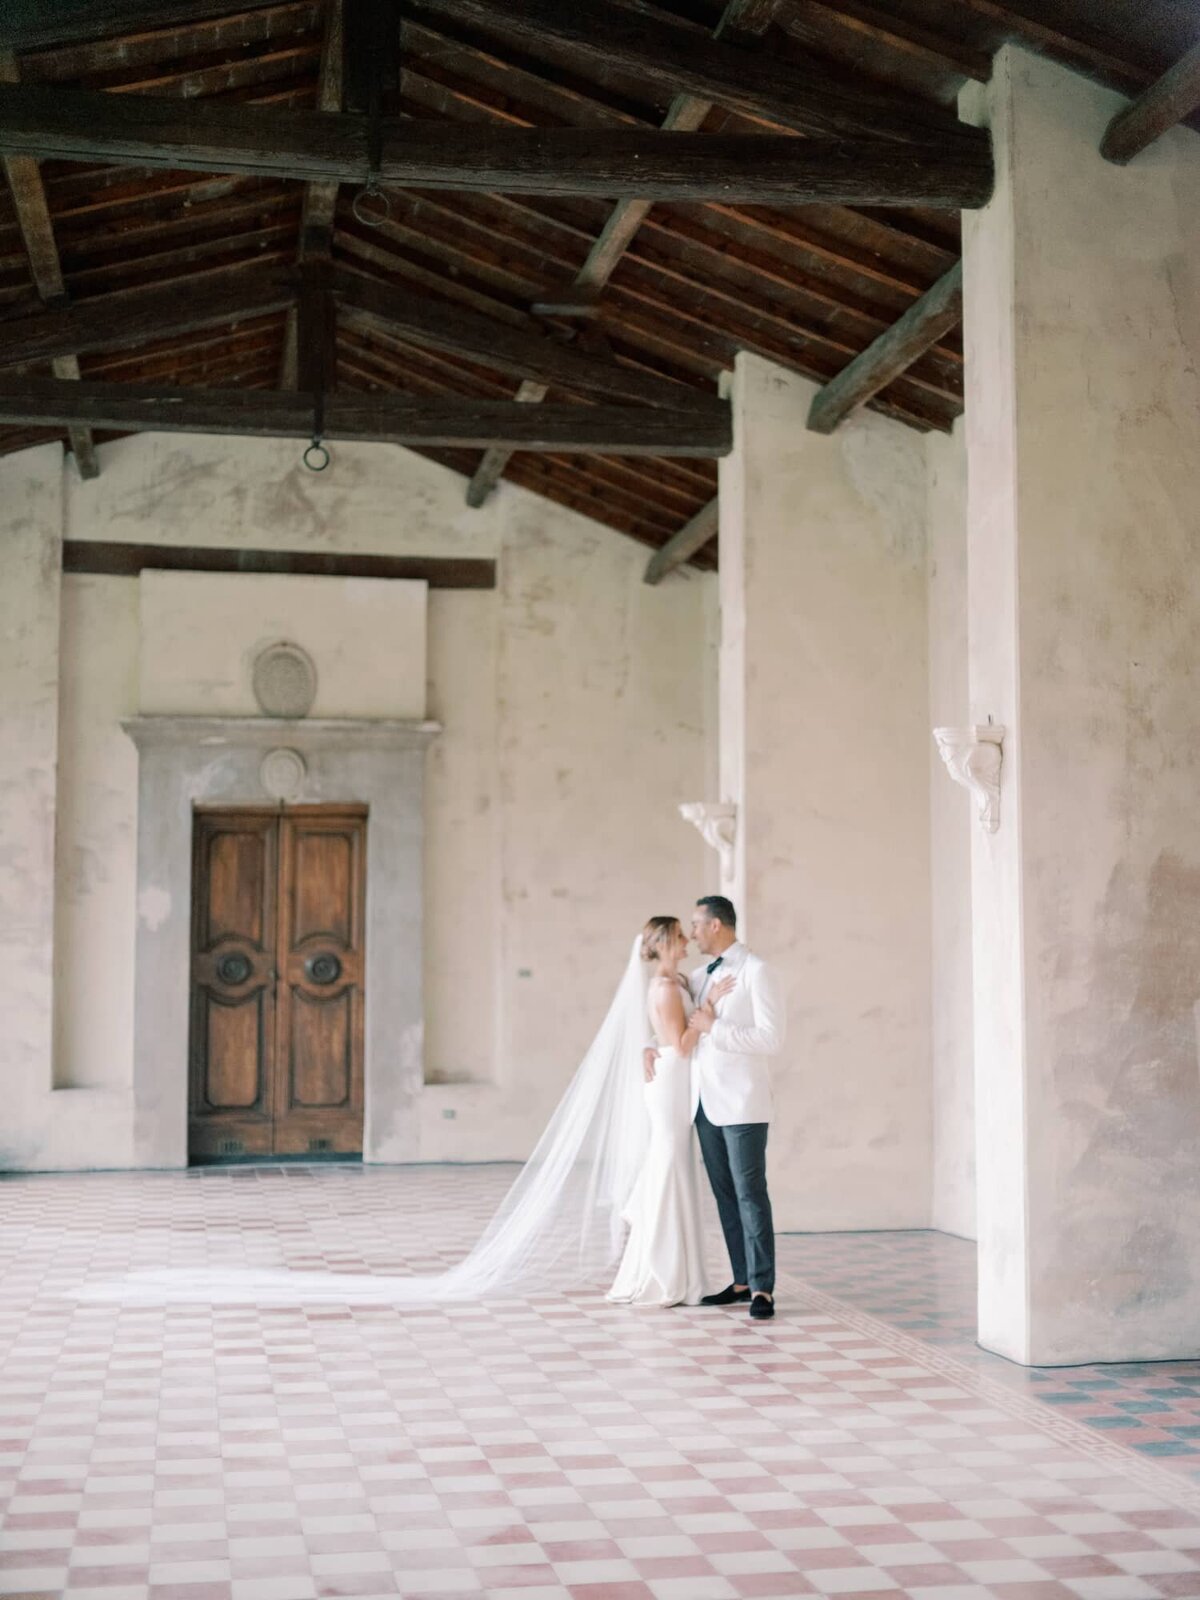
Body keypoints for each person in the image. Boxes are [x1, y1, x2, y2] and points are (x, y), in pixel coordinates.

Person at [607, 917, 733, 1307]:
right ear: (663, 943)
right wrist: (707, 1012)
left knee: (675, 1165)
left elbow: (663, 1037)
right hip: (671, 1080)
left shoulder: (676, 982)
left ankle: (679, 1269)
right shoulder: (664, 988)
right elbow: (679, 1045)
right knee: (669, 1164)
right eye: (679, 935)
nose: (686, 940)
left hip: (678, 1078)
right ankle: (663, 1270)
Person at [687, 895, 786, 1322]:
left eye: (696, 924)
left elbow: (771, 1039)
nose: (691, 933)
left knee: (750, 1194)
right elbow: (680, 1029)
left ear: (716, 926)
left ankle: (763, 1288)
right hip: (704, 1103)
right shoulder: (697, 976)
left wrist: (716, 1028)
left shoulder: (757, 971)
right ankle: (741, 1279)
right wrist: (648, 1051)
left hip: (744, 1103)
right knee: (724, 1195)